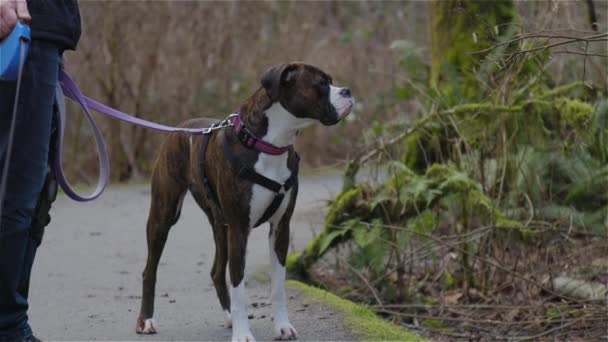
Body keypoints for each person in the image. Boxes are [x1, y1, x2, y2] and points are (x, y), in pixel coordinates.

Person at [0, 1, 81, 341]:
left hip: (42, 35)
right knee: (15, 191)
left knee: (36, 194)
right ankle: (9, 327)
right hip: (19, 27)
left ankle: (12, 323)